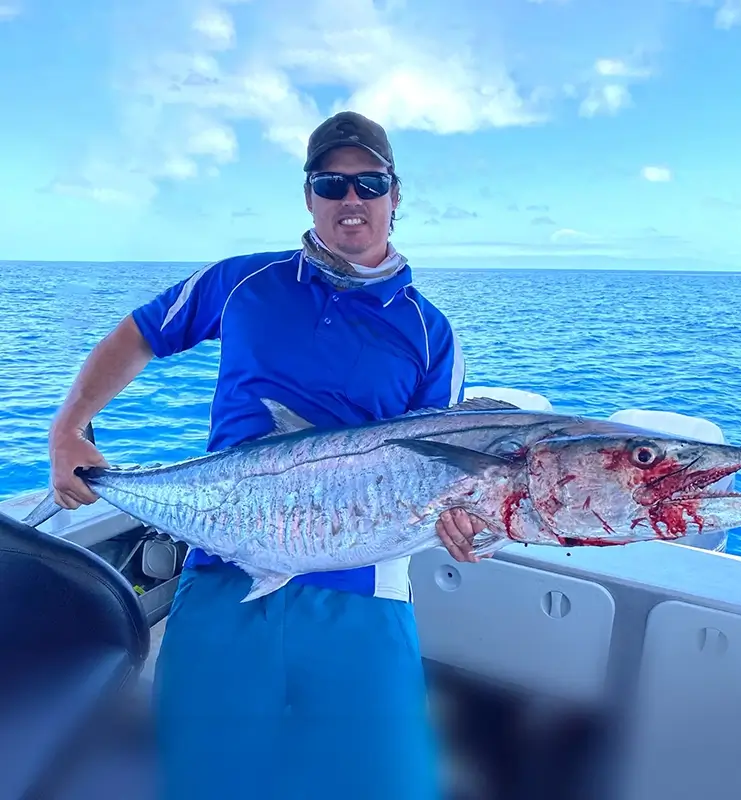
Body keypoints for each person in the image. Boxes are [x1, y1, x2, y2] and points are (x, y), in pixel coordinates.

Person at [46, 110, 487, 799]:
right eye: (331, 183)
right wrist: (70, 429)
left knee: (383, 785)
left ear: (396, 197)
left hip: (364, 593)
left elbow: (436, 470)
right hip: (224, 574)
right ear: (308, 194)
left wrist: (468, 524)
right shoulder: (244, 282)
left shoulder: (432, 332)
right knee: (201, 779)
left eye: (370, 183)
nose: (351, 200)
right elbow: (137, 334)